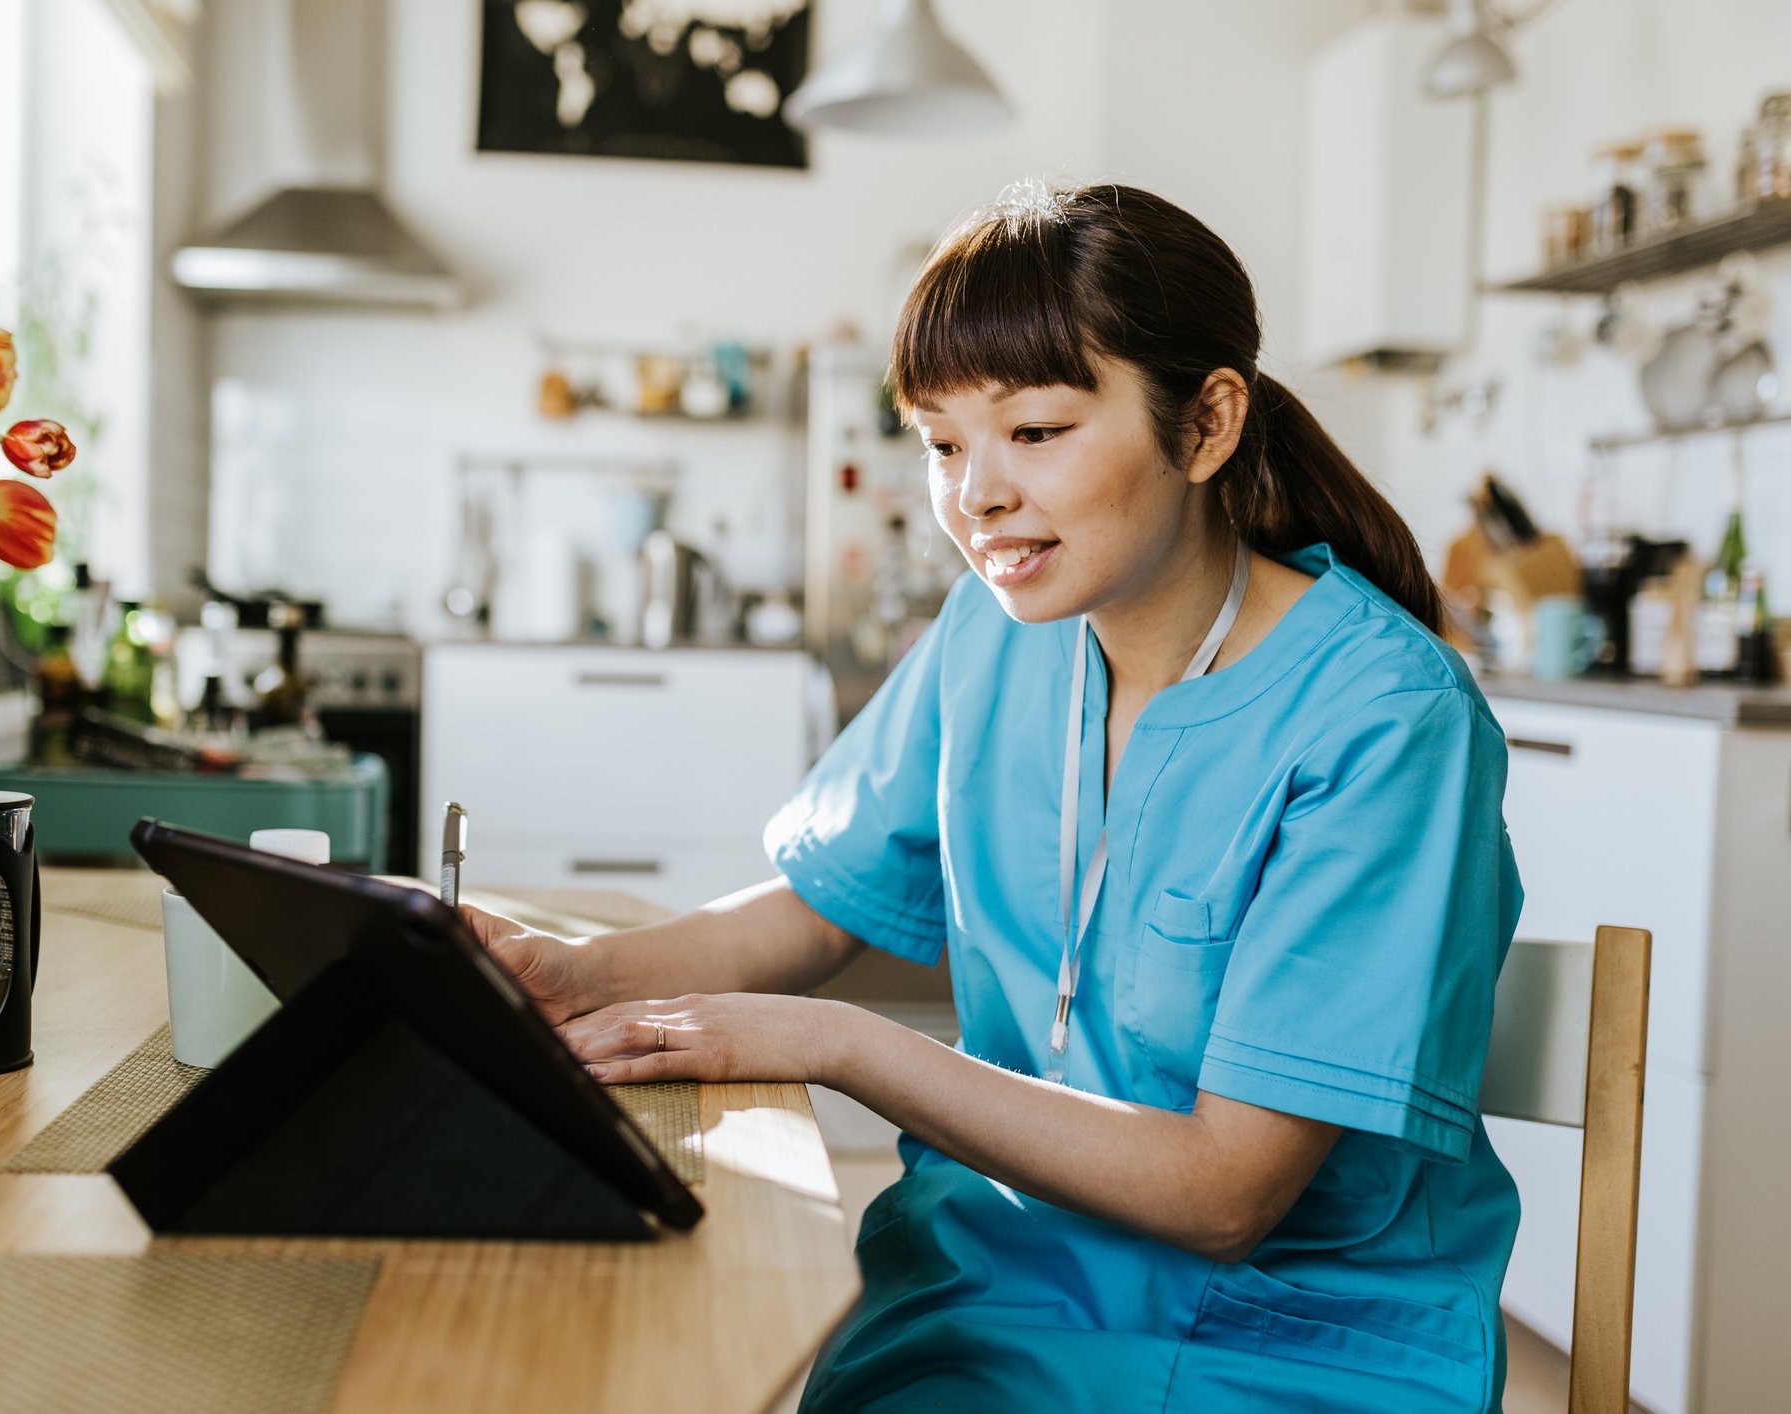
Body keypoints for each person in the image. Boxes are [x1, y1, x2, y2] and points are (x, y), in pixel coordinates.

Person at [465, 182, 1522, 1413]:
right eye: (941, 443)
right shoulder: (994, 630)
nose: (974, 497)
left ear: (1206, 423)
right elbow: (822, 904)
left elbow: (1224, 1193)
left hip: (1287, 1342)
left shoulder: (1384, 717)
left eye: (1034, 431)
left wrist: (840, 1043)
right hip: (981, 1286)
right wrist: (579, 976)